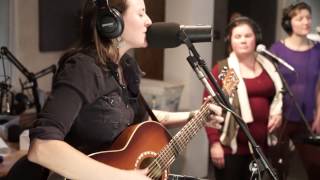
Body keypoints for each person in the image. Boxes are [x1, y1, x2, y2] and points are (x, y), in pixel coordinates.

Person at [25, 0, 224, 180]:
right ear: (111, 22)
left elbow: (143, 121)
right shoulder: (83, 68)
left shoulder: (127, 67)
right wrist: (124, 177)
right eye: (141, 13)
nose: (149, 21)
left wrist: (195, 116)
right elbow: (42, 147)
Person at [204, 16, 283, 180]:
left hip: (262, 147)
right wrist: (214, 144)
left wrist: (278, 113)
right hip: (232, 149)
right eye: (237, 36)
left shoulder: (268, 65)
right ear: (230, 41)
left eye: (248, 36)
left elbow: (278, 96)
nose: (243, 40)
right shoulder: (225, 69)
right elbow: (209, 110)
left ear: (256, 38)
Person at [269, 2, 320, 180]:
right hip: (282, 118)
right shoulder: (276, 50)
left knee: (315, 167)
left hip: (308, 118)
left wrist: (319, 115)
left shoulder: (317, 50)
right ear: (289, 22)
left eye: (308, 17)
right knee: (278, 167)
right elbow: (271, 85)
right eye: (300, 18)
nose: (306, 22)